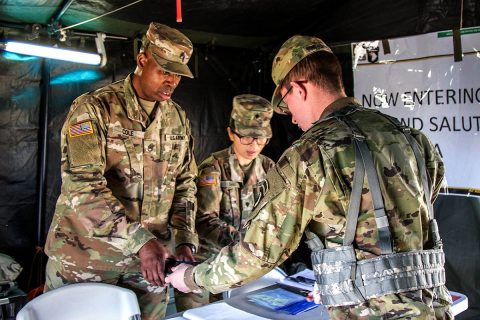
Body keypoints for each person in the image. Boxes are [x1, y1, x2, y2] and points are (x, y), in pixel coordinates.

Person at [166, 35, 453, 319]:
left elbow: (259, 251)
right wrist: (338, 282)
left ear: (298, 89)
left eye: (286, 103)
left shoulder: (311, 152)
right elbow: (414, 210)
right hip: (433, 305)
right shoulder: (411, 137)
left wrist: (191, 278)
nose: (291, 117)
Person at [44, 22, 198, 320]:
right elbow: (82, 186)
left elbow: (185, 184)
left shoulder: (178, 119)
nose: (171, 81)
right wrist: (141, 242)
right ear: (142, 60)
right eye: (164, 70)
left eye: (178, 74)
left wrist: (184, 239)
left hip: (150, 268)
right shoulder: (94, 109)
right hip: (88, 261)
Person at [174, 94, 275, 311]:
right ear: (231, 133)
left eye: (260, 139)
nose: (254, 145)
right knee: (197, 315)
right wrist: (246, 241)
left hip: (243, 262)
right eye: (246, 137)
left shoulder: (269, 169)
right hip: (205, 261)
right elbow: (204, 219)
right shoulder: (214, 167)